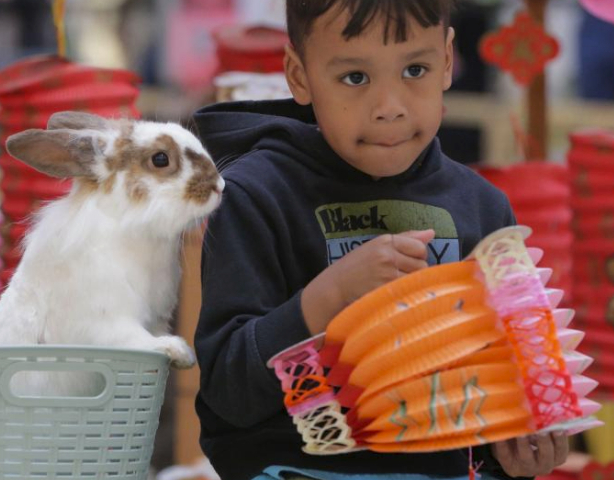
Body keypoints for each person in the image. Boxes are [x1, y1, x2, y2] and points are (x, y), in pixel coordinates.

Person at [192, 1, 569, 479]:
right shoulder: (254, 196)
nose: (389, 108)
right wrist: (327, 297)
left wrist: (519, 452)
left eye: (415, 69)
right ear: (299, 74)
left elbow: (493, 403)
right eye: (355, 78)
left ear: (448, 61)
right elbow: (228, 392)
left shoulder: (483, 207)